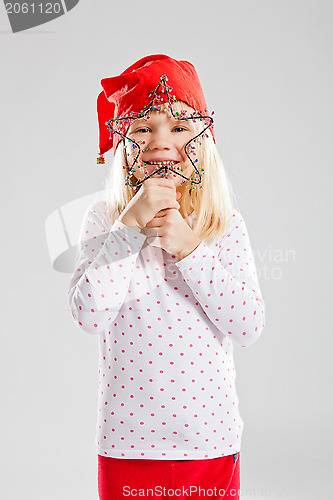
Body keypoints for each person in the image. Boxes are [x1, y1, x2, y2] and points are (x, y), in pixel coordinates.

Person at [68, 54, 265, 500]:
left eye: (178, 127)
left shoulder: (222, 223)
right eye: (143, 127)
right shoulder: (103, 219)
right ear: (122, 143)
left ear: (202, 137)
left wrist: (191, 248)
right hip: (126, 443)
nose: (161, 141)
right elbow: (88, 315)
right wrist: (129, 228)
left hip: (208, 441)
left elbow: (248, 326)